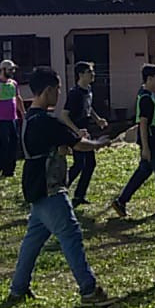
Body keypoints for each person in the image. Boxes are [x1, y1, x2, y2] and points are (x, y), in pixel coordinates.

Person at [7, 66, 113, 307]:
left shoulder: (29, 118)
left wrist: (61, 148)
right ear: (47, 90)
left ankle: (18, 288)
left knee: (33, 240)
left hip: (35, 186)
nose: (59, 94)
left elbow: (56, 145)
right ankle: (89, 290)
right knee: (71, 234)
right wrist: (99, 143)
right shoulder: (46, 121)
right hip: (50, 187)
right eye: (57, 89)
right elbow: (78, 144)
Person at [110, 64, 155, 217]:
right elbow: (143, 123)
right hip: (151, 139)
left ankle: (121, 201)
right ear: (149, 78)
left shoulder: (151, 95)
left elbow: (154, 120)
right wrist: (145, 147)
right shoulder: (145, 98)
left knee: (144, 171)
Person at [60, 61, 108, 208]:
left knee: (90, 164)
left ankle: (79, 196)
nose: (93, 74)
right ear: (80, 75)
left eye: (93, 71)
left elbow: (88, 107)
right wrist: (77, 131)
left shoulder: (88, 90)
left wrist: (97, 119)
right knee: (79, 164)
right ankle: (59, 190)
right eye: (89, 72)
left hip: (86, 131)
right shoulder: (74, 93)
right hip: (75, 132)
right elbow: (64, 116)